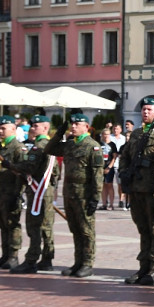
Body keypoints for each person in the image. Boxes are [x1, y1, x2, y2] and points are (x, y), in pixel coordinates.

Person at [119, 97, 154, 286]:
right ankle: (143, 266)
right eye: (144, 109)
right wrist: (124, 173)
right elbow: (125, 156)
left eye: (149, 109)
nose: (145, 112)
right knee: (143, 229)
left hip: (152, 190)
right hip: (136, 188)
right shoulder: (136, 134)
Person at [45, 113, 104, 278]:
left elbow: (97, 176)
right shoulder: (69, 144)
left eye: (77, 124)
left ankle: (87, 263)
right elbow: (49, 149)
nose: (73, 126)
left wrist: (95, 198)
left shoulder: (93, 146)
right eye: (72, 124)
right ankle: (78, 262)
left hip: (84, 195)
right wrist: (58, 134)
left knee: (86, 231)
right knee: (75, 230)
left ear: (86, 127)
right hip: (70, 194)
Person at [10, 115, 57, 273]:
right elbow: (55, 172)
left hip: (39, 191)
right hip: (47, 190)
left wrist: (10, 165)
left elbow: (29, 167)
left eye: (36, 125)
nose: (32, 128)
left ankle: (31, 260)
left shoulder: (39, 146)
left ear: (45, 128)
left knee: (34, 226)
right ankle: (47, 259)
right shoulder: (51, 144)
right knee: (46, 227)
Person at [0, 116, 27, 270]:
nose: (0, 131)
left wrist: (18, 194)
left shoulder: (18, 148)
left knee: (12, 224)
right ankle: (5, 254)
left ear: (13, 129)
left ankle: (13, 256)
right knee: (1, 223)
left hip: (10, 192)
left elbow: (22, 172)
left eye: (3, 128)